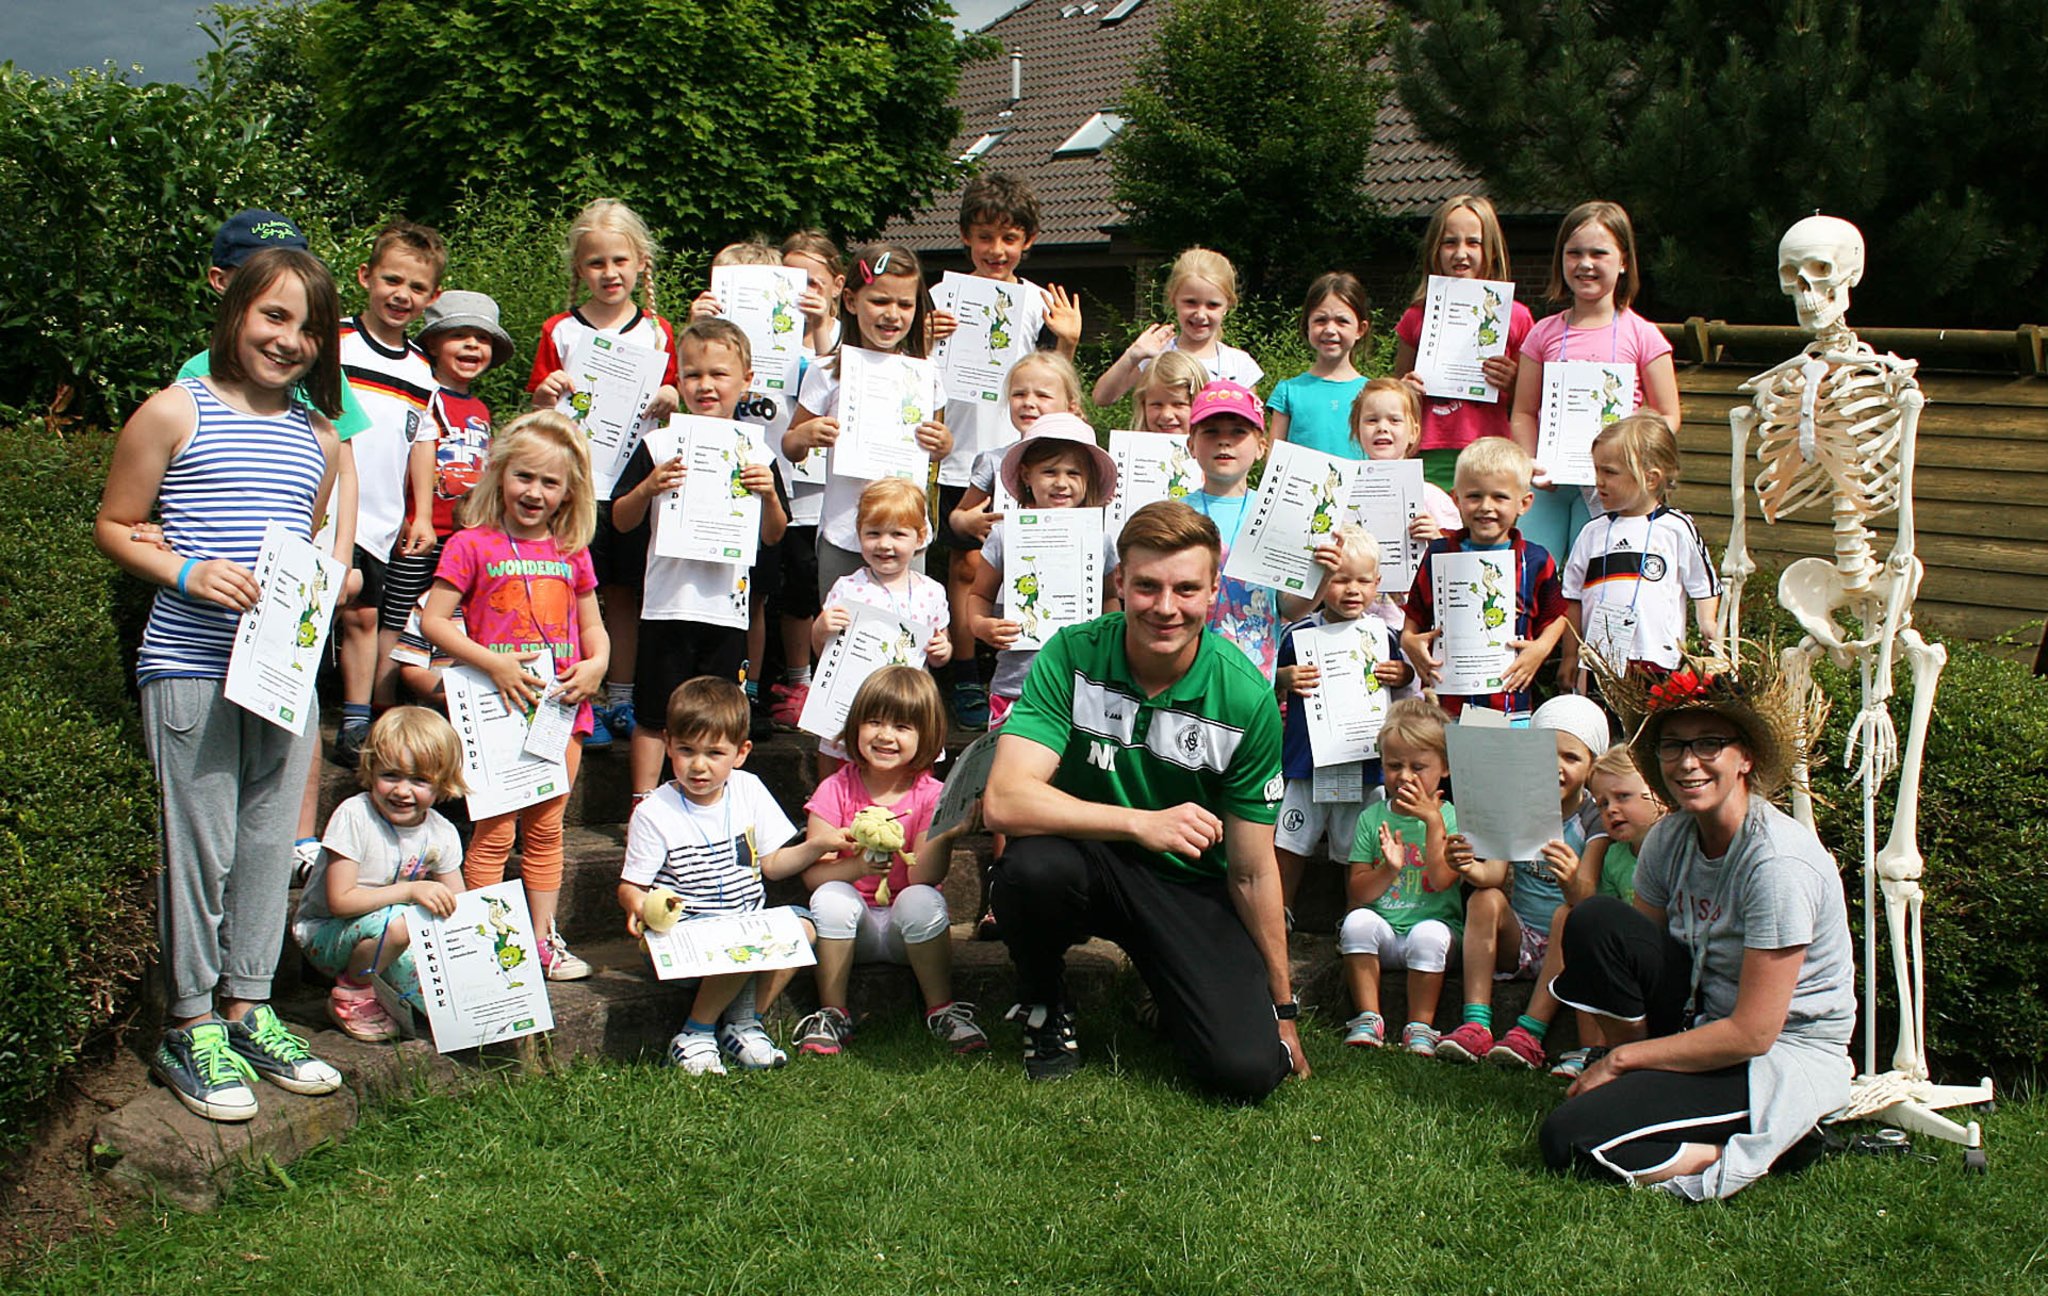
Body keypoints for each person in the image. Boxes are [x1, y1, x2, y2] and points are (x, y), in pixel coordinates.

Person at [95, 246, 346, 1120]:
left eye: (309, 326)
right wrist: (189, 572)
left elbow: (308, 545)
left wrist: (329, 583)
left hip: (282, 676)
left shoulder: (319, 436)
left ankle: (249, 1007)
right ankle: (190, 1022)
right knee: (200, 850)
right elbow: (118, 524)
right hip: (192, 668)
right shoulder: (173, 411)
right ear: (236, 310)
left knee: (267, 848)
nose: (290, 340)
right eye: (273, 316)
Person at [985, 500, 1305, 1100]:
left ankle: (1168, 995)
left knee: (1246, 1073)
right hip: (1089, 859)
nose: (1166, 607)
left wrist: (1282, 1009)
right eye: (1147, 587)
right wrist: (1139, 824)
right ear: (1119, 584)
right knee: (1031, 869)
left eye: (1186, 589)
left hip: (1189, 885)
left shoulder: (1246, 698)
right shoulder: (1073, 654)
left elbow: (1252, 869)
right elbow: (1003, 800)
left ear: (1213, 590)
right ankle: (1044, 1005)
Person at [1539, 652, 1849, 1201]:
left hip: (1774, 1056)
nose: (1689, 763)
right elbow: (1638, 954)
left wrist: (1623, 1058)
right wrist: (1636, 1062)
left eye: (1709, 744)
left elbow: (1755, 1031)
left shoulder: (1778, 865)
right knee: (1594, 920)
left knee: (1571, 1140)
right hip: (1697, 1017)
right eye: (1674, 745)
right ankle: (1649, 1089)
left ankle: (1777, 1140)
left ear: (1745, 758)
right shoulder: (1668, 837)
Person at [175, 211, 363, 882]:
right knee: (212, 802)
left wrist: (336, 563)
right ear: (226, 283)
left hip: (280, 621)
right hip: (197, 640)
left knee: (289, 733)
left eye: (307, 324)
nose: (289, 339)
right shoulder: (192, 383)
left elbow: (337, 471)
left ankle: (301, 838)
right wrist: (166, 549)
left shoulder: (316, 404)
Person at [422, 411, 611, 981]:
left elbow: (594, 626)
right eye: (524, 477)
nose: (535, 492)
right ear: (499, 474)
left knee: (547, 829)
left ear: (568, 493)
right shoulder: (470, 544)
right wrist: (492, 663)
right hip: (495, 715)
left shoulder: (572, 550)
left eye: (550, 483)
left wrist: (598, 665)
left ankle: (542, 939)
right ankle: (486, 945)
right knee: (495, 832)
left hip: (559, 712)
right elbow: (434, 621)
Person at [616, 678, 842, 1075]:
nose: (698, 765)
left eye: (714, 753)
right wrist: (637, 905)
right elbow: (631, 885)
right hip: (685, 943)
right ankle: (695, 1034)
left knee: (804, 927)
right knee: (735, 941)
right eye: (686, 751)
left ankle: (742, 1024)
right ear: (668, 744)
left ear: (741, 753)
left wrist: (817, 846)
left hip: (742, 929)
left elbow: (771, 864)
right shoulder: (654, 811)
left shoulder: (749, 789)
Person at [609, 319, 790, 798]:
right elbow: (621, 520)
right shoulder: (657, 445)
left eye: (719, 374)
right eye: (692, 375)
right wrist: (649, 487)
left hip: (725, 609)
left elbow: (774, 535)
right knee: (655, 712)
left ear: (747, 379)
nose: (705, 385)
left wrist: (770, 496)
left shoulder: (758, 452)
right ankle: (644, 804)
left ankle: (710, 803)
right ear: (678, 379)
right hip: (667, 604)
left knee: (719, 713)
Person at [528, 197, 683, 747]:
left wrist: (672, 393)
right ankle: (577, 697)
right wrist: (545, 394)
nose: (609, 273)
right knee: (571, 591)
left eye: (620, 261)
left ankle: (619, 695)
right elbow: (540, 410)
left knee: (624, 591)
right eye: (596, 263)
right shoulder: (560, 331)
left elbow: (681, 397)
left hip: (636, 482)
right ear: (579, 269)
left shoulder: (660, 332)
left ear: (642, 263)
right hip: (574, 484)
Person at [930, 173, 1083, 728]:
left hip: (1031, 456)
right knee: (966, 562)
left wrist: (1066, 338)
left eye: (1009, 239)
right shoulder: (942, 301)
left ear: (1029, 241)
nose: (997, 251)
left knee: (1030, 557)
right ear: (967, 239)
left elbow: (1056, 379)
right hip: (963, 452)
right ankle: (967, 673)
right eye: (985, 238)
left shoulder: (1039, 304)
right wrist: (929, 337)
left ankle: (1027, 666)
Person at [795, 667, 988, 1057]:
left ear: (927, 736)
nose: (885, 736)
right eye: (874, 721)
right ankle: (832, 1011)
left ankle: (941, 1008)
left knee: (922, 898)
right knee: (832, 894)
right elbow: (813, 875)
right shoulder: (835, 788)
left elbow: (924, 875)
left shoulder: (931, 794)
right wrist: (858, 869)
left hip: (908, 931)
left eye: (902, 726)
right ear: (856, 726)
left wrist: (947, 834)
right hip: (852, 930)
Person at [1509, 200, 1683, 565]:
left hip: (1616, 486)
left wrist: (1634, 456)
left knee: (1600, 577)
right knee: (1532, 571)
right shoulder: (1543, 334)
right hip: (1550, 485)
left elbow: (1668, 414)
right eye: (1574, 253)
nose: (1585, 264)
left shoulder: (1644, 335)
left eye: (1598, 253)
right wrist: (1531, 462)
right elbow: (1523, 412)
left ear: (1623, 262)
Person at [782, 242, 954, 602]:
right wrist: (807, 434)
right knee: (838, 637)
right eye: (879, 301)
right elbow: (790, 447)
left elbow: (936, 452)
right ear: (849, 301)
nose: (893, 314)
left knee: (904, 641)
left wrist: (944, 443)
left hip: (908, 535)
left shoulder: (927, 375)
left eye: (905, 304)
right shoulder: (826, 370)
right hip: (845, 534)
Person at [333, 220, 446, 767]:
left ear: (433, 297)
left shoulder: (424, 367)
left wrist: (421, 512)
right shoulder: (333, 341)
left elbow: (422, 438)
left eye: (417, 288)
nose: (402, 295)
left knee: (363, 617)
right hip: (323, 507)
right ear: (365, 277)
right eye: (391, 280)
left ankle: (355, 718)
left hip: (379, 515)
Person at [1449, 694, 1612, 1067]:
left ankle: (1529, 1033)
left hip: (1570, 950)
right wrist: (1467, 866)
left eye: (1571, 758)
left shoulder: (1594, 817)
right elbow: (1494, 874)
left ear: (1591, 766)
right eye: (1546, 754)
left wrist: (1570, 876)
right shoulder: (1520, 802)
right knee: (1483, 898)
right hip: (1520, 940)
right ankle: (1475, 1024)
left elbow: (1585, 896)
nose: (1556, 766)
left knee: (1568, 915)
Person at [293, 707, 467, 1042]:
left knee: (442, 1005)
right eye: (391, 775)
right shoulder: (354, 816)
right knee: (403, 921)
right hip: (326, 934)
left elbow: (457, 905)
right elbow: (340, 901)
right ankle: (352, 993)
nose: (403, 791)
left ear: (442, 783)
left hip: (389, 932)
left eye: (419, 780)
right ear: (371, 771)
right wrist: (412, 891)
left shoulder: (441, 831)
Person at [1273, 525, 1411, 914]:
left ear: (1377, 583)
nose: (1353, 590)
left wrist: (1400, 675)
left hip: (1362, 764)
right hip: (1307, 765)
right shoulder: (1296, 634)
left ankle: (1356, 921)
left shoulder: (1383, 635)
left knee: (1359, 849)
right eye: (1340, 580)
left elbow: (1405, 679)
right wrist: (1283, 679)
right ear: (1319, 583)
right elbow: (1268, 681)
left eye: (1363, 580)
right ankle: (1278, 913)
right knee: (1290, 841)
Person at [382, 291, 512, 690]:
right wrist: (411, 515)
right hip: (420, 527)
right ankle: (380, 700)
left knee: (446, 615)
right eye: (460, 335)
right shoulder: (421, 393)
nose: (473, 344)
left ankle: (440, 691)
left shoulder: (480, 409)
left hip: (463, 536)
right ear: (434, 344)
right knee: (399, 613)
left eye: (483, 338)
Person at [966, 412, 1122, 728]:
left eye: (1073, 473)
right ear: (1026, 475)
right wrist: (981, 626)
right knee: (1009, 771)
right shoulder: (1004, 534)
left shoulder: (1100, 538)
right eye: (1049, 471)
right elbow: (978, 594)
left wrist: (1107, 636)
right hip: (1017, 687)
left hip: (1084, 685)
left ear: (1088, 478)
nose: (1061, 483)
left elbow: (1109, 599)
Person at [1401, 437, 1567, 721]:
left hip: (1509, 702)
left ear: (1524, 503)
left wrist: (1540, 649)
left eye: (1500, 497)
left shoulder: (1536, 560)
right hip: (1447, 705)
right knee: (1449, 765)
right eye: (1474, 496)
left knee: (1500, 765)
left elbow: (1558, 616)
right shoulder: (1438, 554)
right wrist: (1409, 642)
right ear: (1456, 499)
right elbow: (1414, 616)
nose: (1485, 507)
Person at [1558, 411, 1722, 692]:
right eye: (1596, 470)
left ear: (1650, 478)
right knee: (1602, 729)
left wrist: (1707, 621)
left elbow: (1702, 583)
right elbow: (1573, 598)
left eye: (1609, 472)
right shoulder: (1592, 533)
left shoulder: (1676, 528)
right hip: (1600, 659)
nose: (1599, 481)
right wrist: (1570, 655)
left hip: (1657, 658)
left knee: (1649, 728)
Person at [1337, 697, 1459, 1054]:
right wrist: (1388, 868)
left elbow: (1441, 881)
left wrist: (1432, 821)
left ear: (1445, 768)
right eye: (1393, 765)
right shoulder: (1372, 818)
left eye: (1418, 766)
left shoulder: (1452, 818)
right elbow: (1358, 892)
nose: (1404, 776)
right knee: (1357, 922)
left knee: (1429, 934)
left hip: (1436, 935)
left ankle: (1420, 1025)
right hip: (1386, 935)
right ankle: (1368, 1018)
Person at [811, 477, 953, 777]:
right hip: (855, 704)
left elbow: (941, 651)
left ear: (920, 536)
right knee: (844, 770)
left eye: (898, 534)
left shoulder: (932, 591)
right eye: (873, 533)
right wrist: (822, 628)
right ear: (859, 534)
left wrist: (943, 649)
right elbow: (823, 651)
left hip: (908, 709)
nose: (884, 544)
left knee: (910, 775)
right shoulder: (848, 588)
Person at [1392, 195, 1534, 493]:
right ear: (1434, 250)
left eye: (1473, 242)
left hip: (1491, 451)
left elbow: (1532, 401)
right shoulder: (1417, 316)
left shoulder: (1517, 317)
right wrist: (1405, 390)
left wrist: (1513, 380)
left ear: (1491, 250)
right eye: (1449, 242)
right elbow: (1396, 388)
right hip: (1428, 453)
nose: (1461, 253)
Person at [1544, 742, 1669, 1080]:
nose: (1611, 810)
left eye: (1623, 797)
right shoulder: (1615, 858)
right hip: (1623, 961)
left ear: (1657, 794)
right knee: (1588, 944)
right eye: (1602, 804)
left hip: (1663, 969)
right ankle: (1592, 1047)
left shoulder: (1675, 847)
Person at [1183, 380, 1292, 681]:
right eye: (1211, 432)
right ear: (1191, 445)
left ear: (1261, 447)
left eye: (1238, 432)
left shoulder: (1277, 513)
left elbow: (1289, 607)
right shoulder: (1175, 514)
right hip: (1186, 673)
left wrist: (1324, 574)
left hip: (1255, 677)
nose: (1224, 442)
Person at [1092, 247, 1263, 405]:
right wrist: (1132, 356)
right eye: (1191, 302)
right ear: (1173, 299)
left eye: (1212, 305)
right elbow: (1102, 398)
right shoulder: (1156, 355)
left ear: (1228, 305)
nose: (1200, 314)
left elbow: (1253, 427)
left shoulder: (1239, 365)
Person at [1266, 272, 1371, 459]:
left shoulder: (1372, 392)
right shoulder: (1289, 391)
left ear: (1360, 329)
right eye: (1320, 320)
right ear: (1307, 326)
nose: (1330, 330)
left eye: (1342, 321)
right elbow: (1274, 458)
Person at [1131, 349, 1208, 439]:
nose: (1166, 415)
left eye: (1179, 404)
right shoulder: (1129, 449)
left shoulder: (1216, 450)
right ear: (1143, 405)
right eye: (1157, 405)